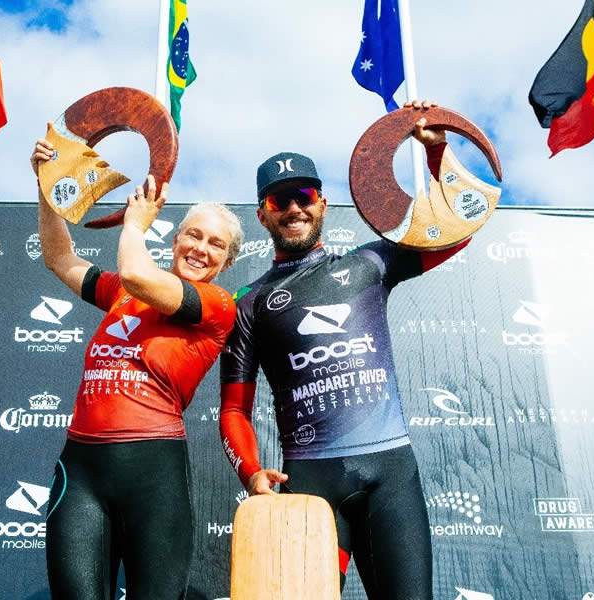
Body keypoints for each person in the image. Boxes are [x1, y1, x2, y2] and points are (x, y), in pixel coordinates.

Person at [219, 101, 469, 599]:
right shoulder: (248, 304)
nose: (294, 208)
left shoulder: (370, 263)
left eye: (304, 195)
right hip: (312, 486)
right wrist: (250, 473)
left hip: (391, 478)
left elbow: (456, 230)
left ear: (323, 202)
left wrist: (437, 153)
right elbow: (232, 411)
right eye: (279, 200)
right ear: (262, 214)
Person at [31, 138, 242, 600]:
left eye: (216, 244)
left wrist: (134, 224)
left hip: (154, 473)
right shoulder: (121, 296)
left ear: (227, 261)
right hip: (82, 469)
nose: (201, 248)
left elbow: (136, 274)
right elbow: (59, 259)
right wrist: (49, 191)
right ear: (177, 238)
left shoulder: (215, 305)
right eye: (194, 235)